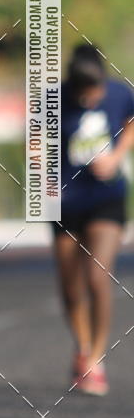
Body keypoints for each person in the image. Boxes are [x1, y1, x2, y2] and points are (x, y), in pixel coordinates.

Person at [51, 43, 134, 396]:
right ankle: (82, 349)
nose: (91, 98)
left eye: (95, 90)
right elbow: (35, 144)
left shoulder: (119, 93)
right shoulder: (52, 100)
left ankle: (96, 358)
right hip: (65, 203)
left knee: (98, 276)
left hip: (106, 199)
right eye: (84, 93)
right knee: (71, 287)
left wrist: (116, 157)